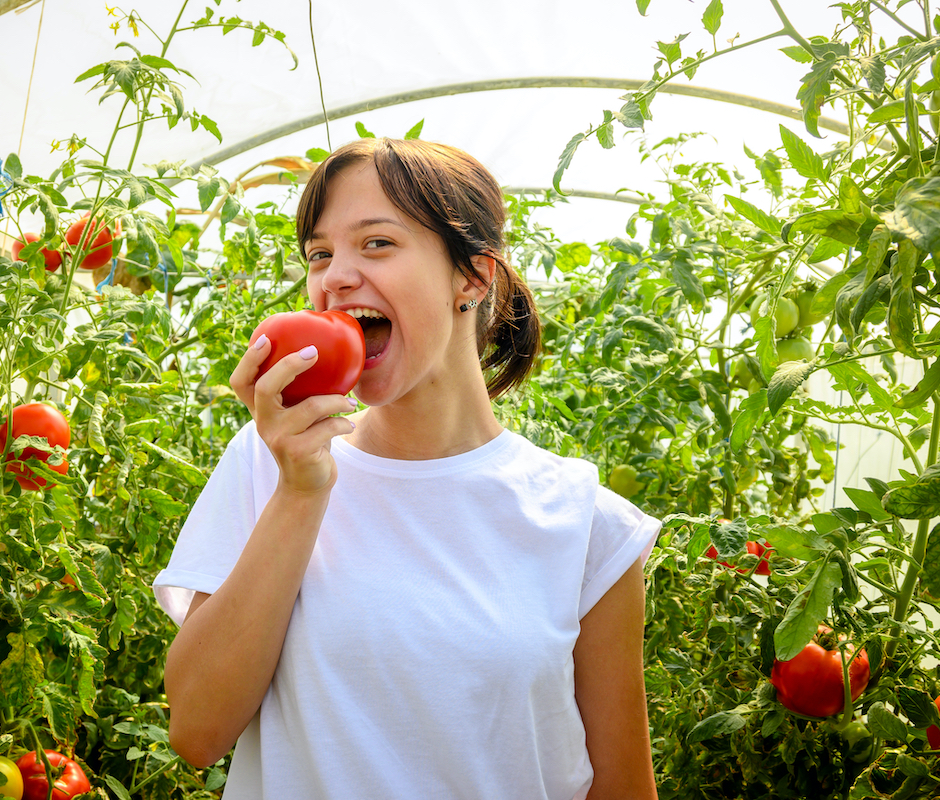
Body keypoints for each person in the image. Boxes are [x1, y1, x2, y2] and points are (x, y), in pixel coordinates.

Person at [155, 138, 661, 800]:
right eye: (319, 253)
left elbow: (622, 789)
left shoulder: (584, 521)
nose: (333, 276)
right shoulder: (269, 460)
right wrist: (302, 493)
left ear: (473, 278)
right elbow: (197, 730)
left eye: (376, 244)